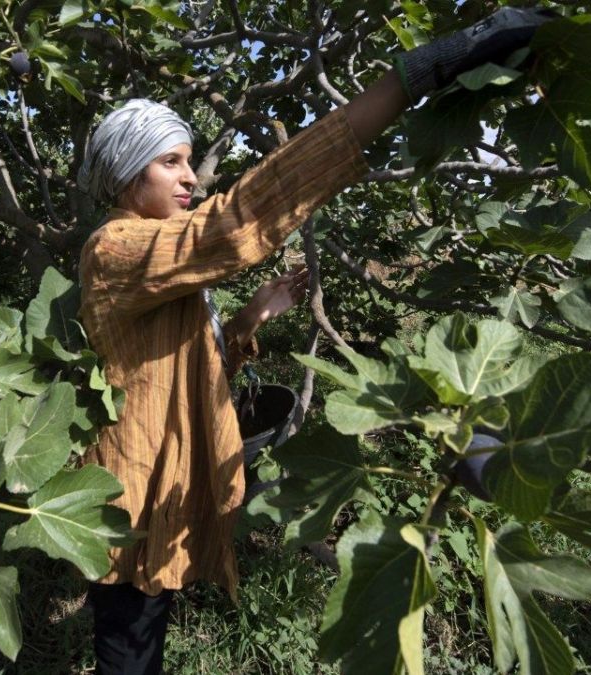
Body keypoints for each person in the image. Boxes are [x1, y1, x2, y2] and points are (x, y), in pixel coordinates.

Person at [74, 7, 555, 674]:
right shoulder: (117, 246)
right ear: (129, 176)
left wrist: (250, 320)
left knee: (143, 641)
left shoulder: (159, 262)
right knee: (127, 650)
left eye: (191, 162)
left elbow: (175, 363)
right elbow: (238, 221)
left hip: (167, 489)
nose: (192, 178)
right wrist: (411, 78)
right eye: (171, 162)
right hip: (132, 495)